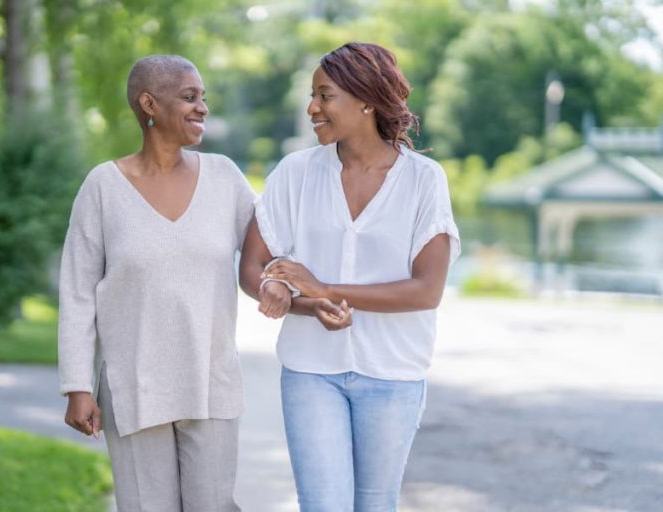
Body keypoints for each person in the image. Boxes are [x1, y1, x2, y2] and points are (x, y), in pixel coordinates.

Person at [239, 42, 460, 512]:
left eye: (324, 95)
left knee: (375, 506)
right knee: (322, 505)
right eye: (312, 95)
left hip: (394, 373)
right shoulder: (295, 173)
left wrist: (326, 289)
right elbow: (253, 268)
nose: (311, 107)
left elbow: (427, 290)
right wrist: (292, 296)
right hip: (311, 371)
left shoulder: (424, 179)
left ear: (366, 99)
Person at [58, 55, 254, 512]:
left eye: (203, 97)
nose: (203, 107)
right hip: (133, 383)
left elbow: (271, 248)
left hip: (210, 379)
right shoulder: (103, 187)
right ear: (149, 103)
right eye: (190, 97)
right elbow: (77, 291)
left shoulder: (225, 178)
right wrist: (76, 385)